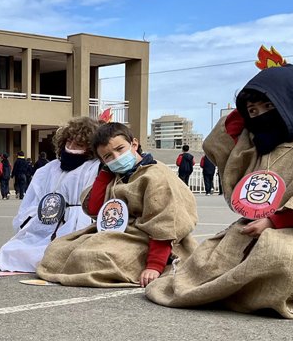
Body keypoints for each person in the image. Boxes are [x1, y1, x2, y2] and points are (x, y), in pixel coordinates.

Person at [147, 63, 293, 318]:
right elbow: (218, 144)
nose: (261, 115)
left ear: (292, 102)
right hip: (255, 223)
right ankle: (231, 291)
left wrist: (276, 220)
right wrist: (246, 108)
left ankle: (263, 294)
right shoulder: (259, 145)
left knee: (277, 253)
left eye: (270, 106)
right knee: (213, 254)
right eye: (253, 111)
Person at [36, 122, 198, 287]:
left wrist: (155, 266)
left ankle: (145, 263)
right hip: (118, 231)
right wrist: (106, 172)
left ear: (134, 144)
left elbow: (164, 223)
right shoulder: (118, 175)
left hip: (149, 238)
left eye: (120, 149)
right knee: (56, 250)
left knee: (94, 256)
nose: (116, 158)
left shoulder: (155, 176)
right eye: (108, 156)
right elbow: (94, 208)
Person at [0, 117, 101, 272]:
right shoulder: (49, 168)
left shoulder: (94, 168)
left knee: (69, 255)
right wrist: (31, 223)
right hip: (48, 221)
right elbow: (33, 200)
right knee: (11, 251)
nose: (71, 148)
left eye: (78, 145)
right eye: (69, 142)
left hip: (79, 224)